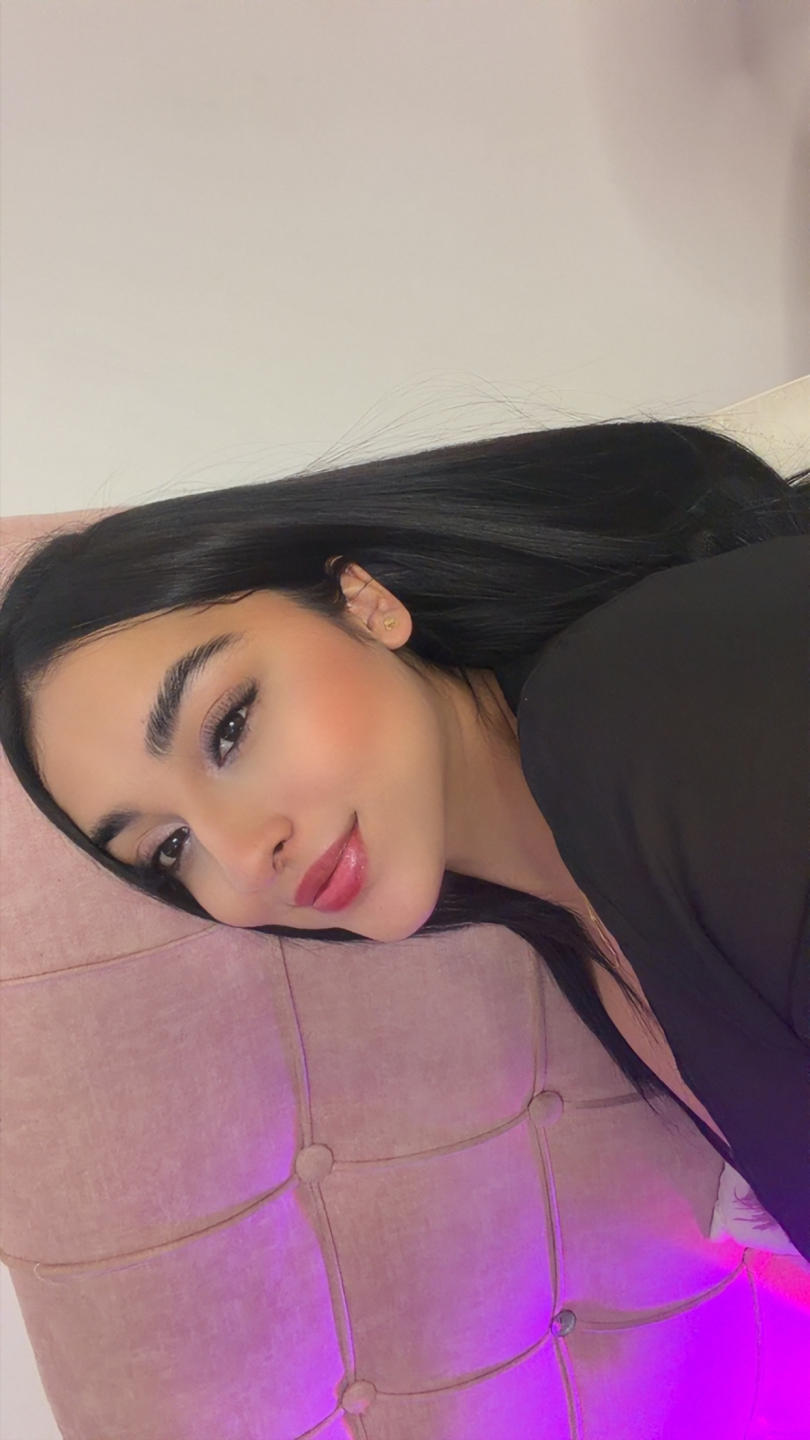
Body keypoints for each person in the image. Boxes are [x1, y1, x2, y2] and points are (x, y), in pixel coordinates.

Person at [1, 417, 808, 1258]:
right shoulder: (578, 925)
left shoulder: (650, 709)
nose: (241, 858)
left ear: (366, 604)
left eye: (230, 727)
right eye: (170, 849)